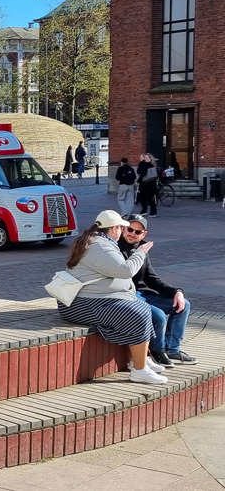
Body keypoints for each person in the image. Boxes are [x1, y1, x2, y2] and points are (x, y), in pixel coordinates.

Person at [58, 210, 164, 384]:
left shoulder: (101, 242)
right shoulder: (98, 246)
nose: (124, 232)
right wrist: (141, 252)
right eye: (123, 228)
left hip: (94, 301)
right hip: (81, 305)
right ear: (115, 228)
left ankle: (138, 361)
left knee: (141, 309)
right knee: (137, 313)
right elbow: (125, 270)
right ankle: (139, 370)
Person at [118, 214, 197, 366]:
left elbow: (152, 279)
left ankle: (172, 350)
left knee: (183, 305)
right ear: (122, 228)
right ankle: (157, 351)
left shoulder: (141, 249)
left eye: (137, 232)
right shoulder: (115, 248)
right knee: (158, 315)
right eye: (130, 229)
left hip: (143, 294)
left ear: (144, 234)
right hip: (127, 295)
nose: (132, 234)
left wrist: (177, 291)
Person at [137, 153, 159, 217]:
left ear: (150, 158)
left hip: (148, 183)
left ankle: (149, 211)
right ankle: (148, 211)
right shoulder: (153, 165)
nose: (145, 158)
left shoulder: (148, 165)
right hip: (149, 183)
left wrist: (138, 181)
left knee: (147, 198)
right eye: (145, 157)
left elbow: (142, 173)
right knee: (146, 197)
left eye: (146, 157)